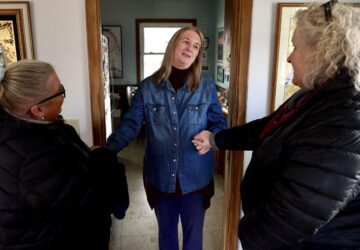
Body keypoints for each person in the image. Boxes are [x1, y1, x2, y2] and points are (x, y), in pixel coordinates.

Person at [193, 1, 360, 249]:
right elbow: (266, 128)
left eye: (295, 47)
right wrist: (216, 139)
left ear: (322, 51)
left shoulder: (342, 115)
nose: (290, 56)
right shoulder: (313, 95)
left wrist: (245, 231)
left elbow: (294, 214)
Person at [106, 26, 228, 250]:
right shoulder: (147, 87)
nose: (190, 49)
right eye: (186, 42)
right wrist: (107, 151)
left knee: (193, 241)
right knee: (167, 239)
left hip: (197, 179)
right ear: (172, 44)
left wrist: (212, 137)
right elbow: (131, 124)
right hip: (161, 178)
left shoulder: (206, 85)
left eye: (196, 46)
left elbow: (220, 123)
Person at [0, 60, 129, 250]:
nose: (63, 95)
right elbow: (94, 198)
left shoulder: (24, 126)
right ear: (38, 110)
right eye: (60, 91)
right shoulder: (33, 158)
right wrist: (103, 157)